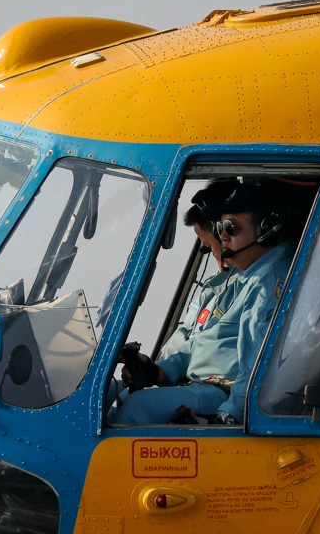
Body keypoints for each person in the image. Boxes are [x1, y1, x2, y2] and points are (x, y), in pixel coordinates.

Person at [111, 180, 292, 425]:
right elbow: (201, 342)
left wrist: (229, 414)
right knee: (115, 393)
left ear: (267, 229)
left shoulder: (268, 281)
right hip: (204, 385)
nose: (223, 236)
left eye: (231, 227)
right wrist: (158, 371)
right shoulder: (244, 279)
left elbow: (258, 365)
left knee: (139, 404)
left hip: (224, 392)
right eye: (220, 228)